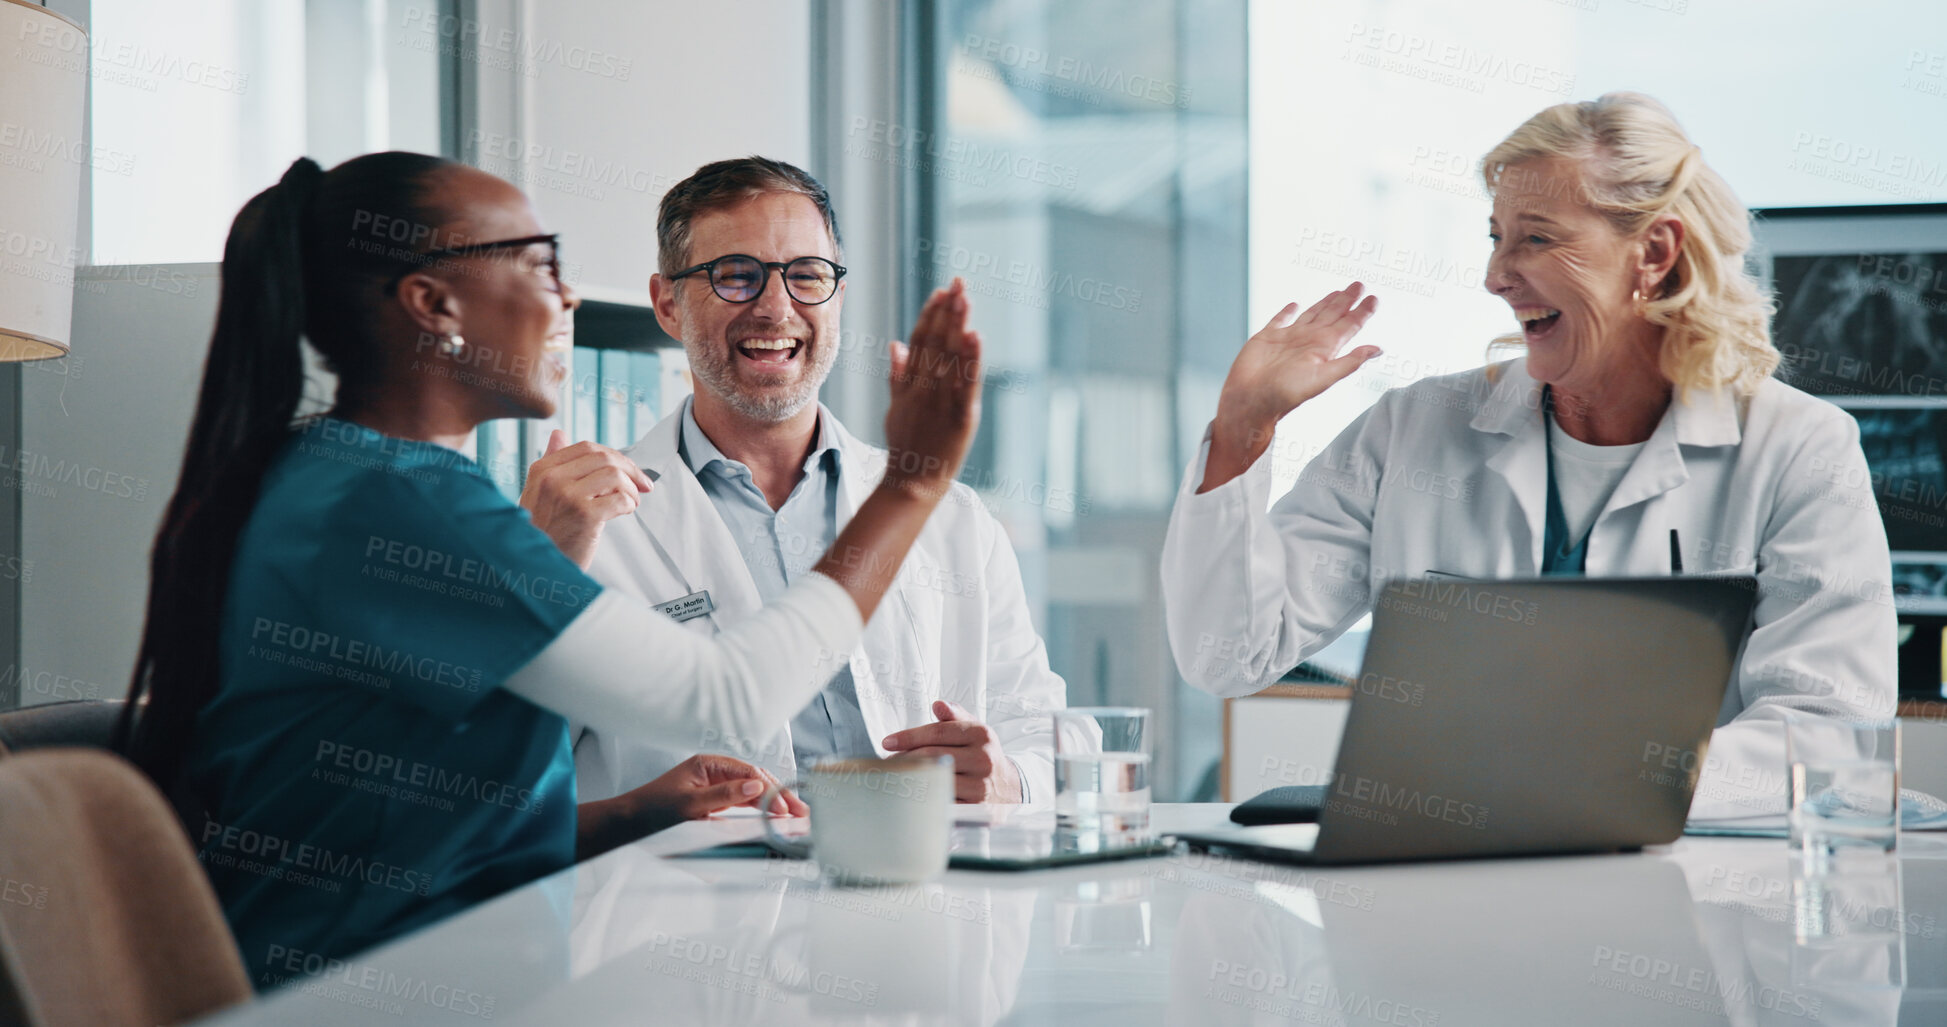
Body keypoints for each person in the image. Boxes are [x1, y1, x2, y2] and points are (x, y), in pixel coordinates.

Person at [115, 151, 982, 981]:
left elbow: (434, 826)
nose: (567, 296)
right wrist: (911, 484)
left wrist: (640, 806)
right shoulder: (406, 504)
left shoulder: (338, 475)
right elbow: (730, 699)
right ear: (434, 304)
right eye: (539, 265)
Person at [1161, 92, 1896, 820]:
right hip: (1438, 880)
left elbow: (1828, 733)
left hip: (1678, 882)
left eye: (1536, 239)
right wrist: (1243, 430)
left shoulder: (1798, 448)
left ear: (1654, 252)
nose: (1496, 275)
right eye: (1496, 237)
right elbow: (1229, 655)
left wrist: (1588, 776)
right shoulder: (1411, 430)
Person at [527, 157, 1065, 804]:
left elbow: (1046, 734)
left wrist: (1008, 777)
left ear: (837, 295)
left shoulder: (956, 519)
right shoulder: (579, 528)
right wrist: (534, 575)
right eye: (735, 276)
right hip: (687, 874)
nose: (776, 307)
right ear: (668, 304)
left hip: (913, 865)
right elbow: (510, 778)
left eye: (807, 275)